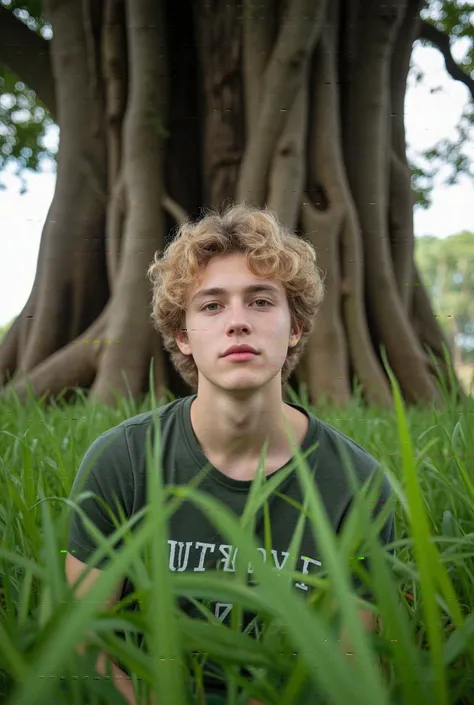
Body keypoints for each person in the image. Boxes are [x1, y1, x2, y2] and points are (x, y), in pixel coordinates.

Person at [65, 203, 395, 704]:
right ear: (183, 335)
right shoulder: (122, 460)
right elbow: (84, 646)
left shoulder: (358, 484)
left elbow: (352, 668)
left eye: (262, 302)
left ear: (296, 327)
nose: (237, 322)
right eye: (212, 306)